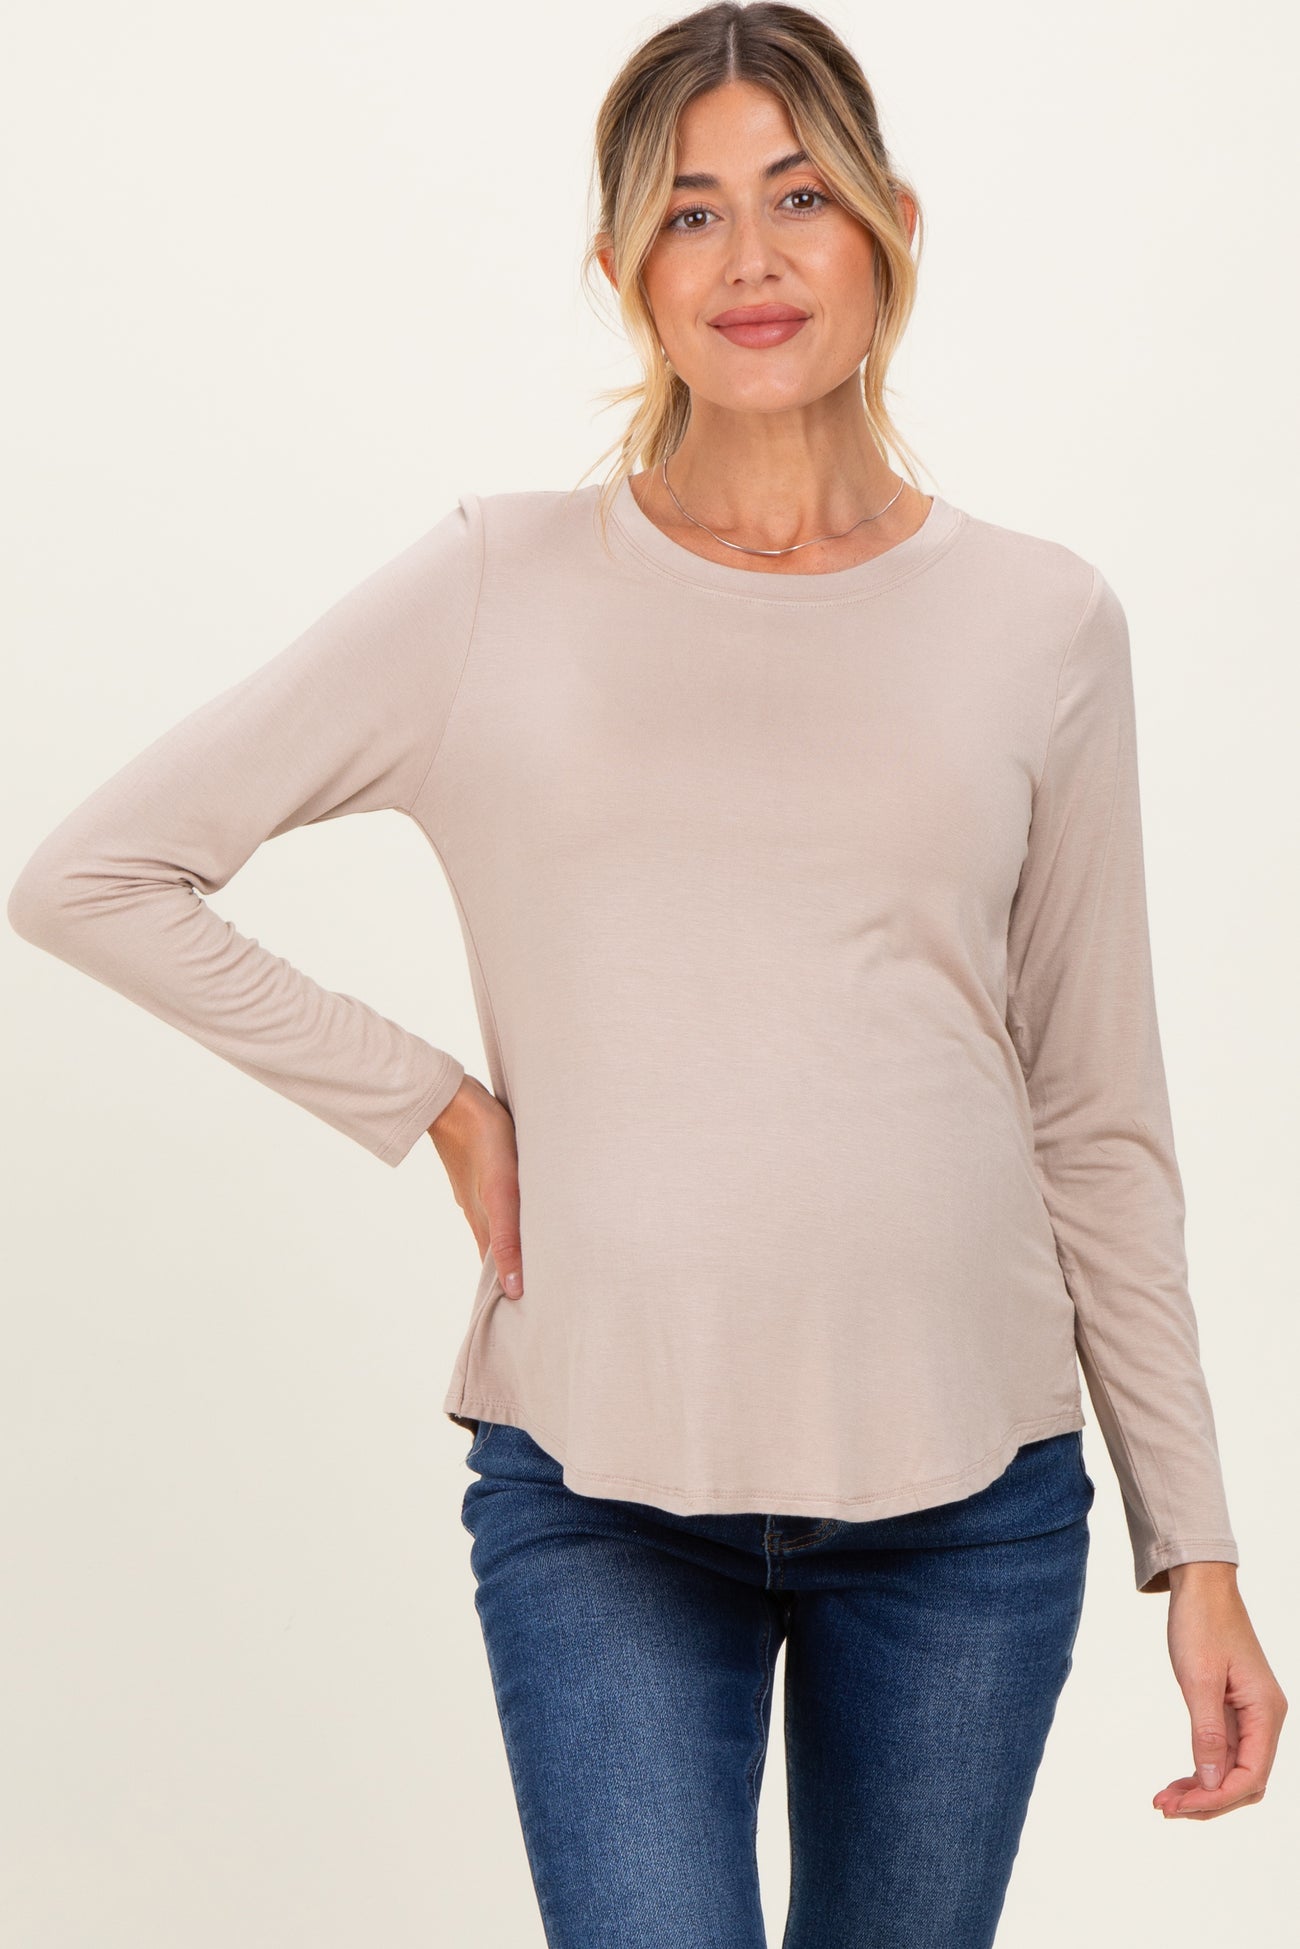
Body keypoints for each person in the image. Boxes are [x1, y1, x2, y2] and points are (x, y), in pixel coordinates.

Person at [7, 4, 1286, 1944]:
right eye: (689, 214)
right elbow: (96, 874)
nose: (749, 258)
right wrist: (431, 1102)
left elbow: (1097, 1118)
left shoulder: (1041, 623)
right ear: (619, 268)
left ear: (893, 228)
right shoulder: (494, 588)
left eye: (798, 197)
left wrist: (1195, 1545)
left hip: (970, 1513)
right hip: (600, 1494)